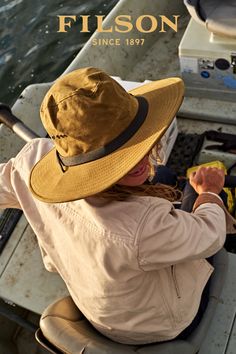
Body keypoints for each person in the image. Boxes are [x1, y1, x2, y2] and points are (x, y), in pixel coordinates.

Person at [0, 67, 235, 345]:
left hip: (105, 310)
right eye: (118, 156)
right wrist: (209, 192)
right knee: (192, 194)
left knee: (164, 177)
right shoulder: (143, 226)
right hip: (161, 324)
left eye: (135, 142)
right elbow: (209, 235)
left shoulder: (33, 161)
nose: (139, 161)